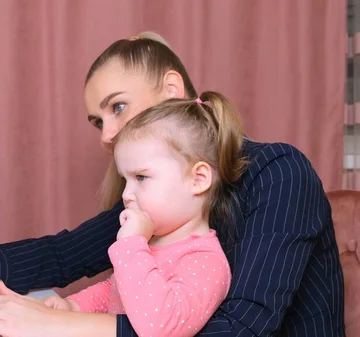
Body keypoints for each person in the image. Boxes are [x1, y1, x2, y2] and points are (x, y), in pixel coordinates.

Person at [0, 32, 345, 336]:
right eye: (97, 120)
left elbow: (240, 328)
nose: (105, 135)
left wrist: (49, 324)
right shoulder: (155, 203)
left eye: (117, 107)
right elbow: (64, 254)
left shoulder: (279, 172)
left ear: (171, 89)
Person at [41, 93, 244, 337]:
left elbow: (162, 327)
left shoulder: (204, 260)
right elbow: (115, 291)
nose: (126, 194)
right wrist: (73, 306)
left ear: (198, 179)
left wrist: (130, 245)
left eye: (141, 177)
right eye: (125, 180)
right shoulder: (149, 242)